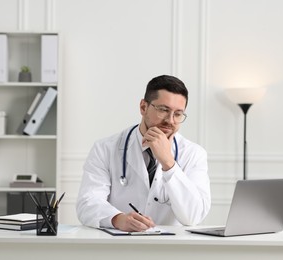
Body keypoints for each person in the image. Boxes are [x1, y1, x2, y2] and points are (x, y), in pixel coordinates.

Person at [76, 75, 211, 232]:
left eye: (178, 114)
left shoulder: (194, 154)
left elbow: (193, 216)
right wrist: (118, 219)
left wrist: (168, 163)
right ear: (143, 107)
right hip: (120, 246)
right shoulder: (105, 148)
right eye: (163, 110)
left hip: (171, 249)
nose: (170, 120)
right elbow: (87, 203)